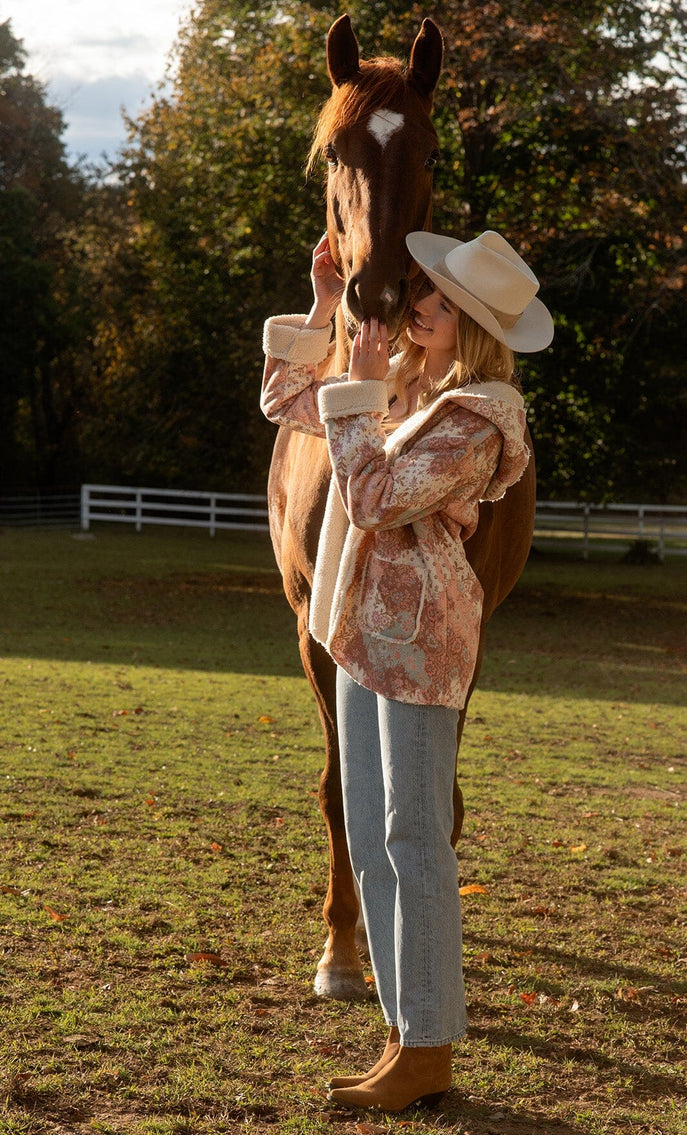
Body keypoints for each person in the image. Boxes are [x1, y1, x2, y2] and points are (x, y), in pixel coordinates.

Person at [260, 229, 553, 1113]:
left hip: (422, 642)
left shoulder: (482, 415)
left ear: (466, 324)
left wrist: (361, 397)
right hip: (360, 630)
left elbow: (374, 497)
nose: (414, 303)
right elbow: (286, 402)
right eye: (423, 293)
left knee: (414, 839)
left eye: (434, 300)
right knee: (371, 829)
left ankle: (428, 1049)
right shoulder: (419, 394)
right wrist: (322, 310)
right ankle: (404, 1028)